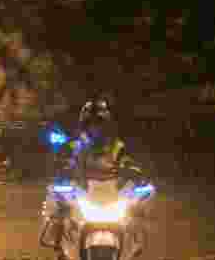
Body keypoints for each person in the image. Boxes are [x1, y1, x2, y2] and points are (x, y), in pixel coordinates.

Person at [44, 96, 146, 258]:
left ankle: (133, 245)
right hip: (82, 192)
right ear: (84, 126)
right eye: (91, 124)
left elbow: (127, 161)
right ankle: (59, 244)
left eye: (99, 124)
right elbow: (62, 161)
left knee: (135, 211)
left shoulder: (117, 146)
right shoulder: (74, 146)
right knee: (58, 208)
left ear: (106, 126)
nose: (95, 128)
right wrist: (63, 170)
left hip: (110, 192)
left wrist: (134, 171)